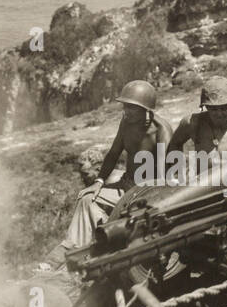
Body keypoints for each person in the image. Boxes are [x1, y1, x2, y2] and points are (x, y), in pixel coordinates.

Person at [62, 79, 171, 252]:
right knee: (87, 199)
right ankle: (72, 249)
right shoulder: (126, 122)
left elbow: (164, 175)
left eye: (132, 107)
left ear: (146, 109)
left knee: (125, 219)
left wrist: (145, 196)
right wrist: (98, 182)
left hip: (146, 193)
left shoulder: (161, 130)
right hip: (125, 186)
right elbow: (113, 153)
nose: (126, 111)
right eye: (125, 106)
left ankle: (104, 244)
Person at [165, 76, 227, 158]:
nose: (219, 113)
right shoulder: (192, 123)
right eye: (214, 109)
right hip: (202, 181)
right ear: (206, 107)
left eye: (224, 108)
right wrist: (175, 174)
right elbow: (175, 144)